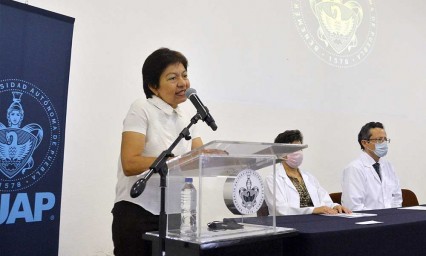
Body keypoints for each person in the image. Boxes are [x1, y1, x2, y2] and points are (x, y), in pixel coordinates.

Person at [111, 48, 204, 256]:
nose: (183, 83)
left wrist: (220, 156)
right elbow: (130, 163)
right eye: (173, 78)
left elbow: (200, 156)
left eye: (185, 75)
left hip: (175, 215)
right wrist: (174, 161)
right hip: (138, 212)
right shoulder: (142, 107)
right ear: (153, 86)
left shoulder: (187, 115)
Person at [264, 130, 351, 215]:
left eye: (299, 148)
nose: (298, 152)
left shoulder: (309, 177)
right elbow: (281, 210)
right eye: (293, 149)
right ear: (280, 153)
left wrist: (334, 206)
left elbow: (325, 200)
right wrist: (313, 210)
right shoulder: (272, 179)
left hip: (316, 221)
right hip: (289, 224)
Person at [341, 122, 402, 211]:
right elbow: (353, 206)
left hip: (391, 218)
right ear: (365, 143)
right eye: (379, 139)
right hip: (366, 221)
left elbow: (397, 198)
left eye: (385, 139)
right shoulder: (354, 168)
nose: (384, 143)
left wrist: (392, 215)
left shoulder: (388, 166)